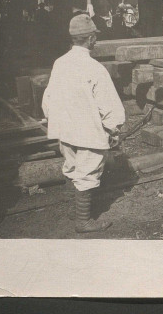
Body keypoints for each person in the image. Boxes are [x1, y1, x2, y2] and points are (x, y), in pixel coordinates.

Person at [41, 14, 125, 233]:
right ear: (89, 39)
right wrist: (113, 127)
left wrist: (53, 120)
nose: (95, 40)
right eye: (94, 36)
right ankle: (83, 221)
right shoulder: (94, 68)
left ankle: (77, 210)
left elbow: (48, 98)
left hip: (65, 130)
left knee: (72, 168)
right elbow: (108, 104)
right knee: (87, 172)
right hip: (88, 132)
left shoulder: (60, 63)